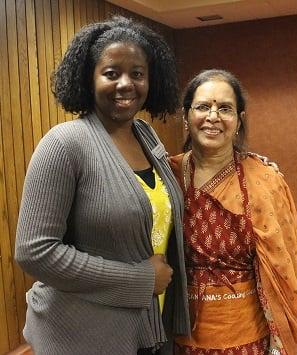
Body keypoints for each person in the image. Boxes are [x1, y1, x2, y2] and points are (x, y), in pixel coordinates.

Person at [15, 16, 190, 355]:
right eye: (111, 73)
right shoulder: (64, 143)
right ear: (89, 78)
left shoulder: (146, 136)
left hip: (147, 329)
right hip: (81, 335)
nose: (126, 83)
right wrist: (140, 281)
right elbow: (35, 252)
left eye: (137, 73)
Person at [170, 69, 297, 354]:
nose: (213, 116)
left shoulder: (264, 179)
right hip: (178, 332)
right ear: (186, 116)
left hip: (247, 334)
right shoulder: (167, 174)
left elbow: (286, 264)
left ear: (239, 119)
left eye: (225, 108)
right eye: (203, 107)